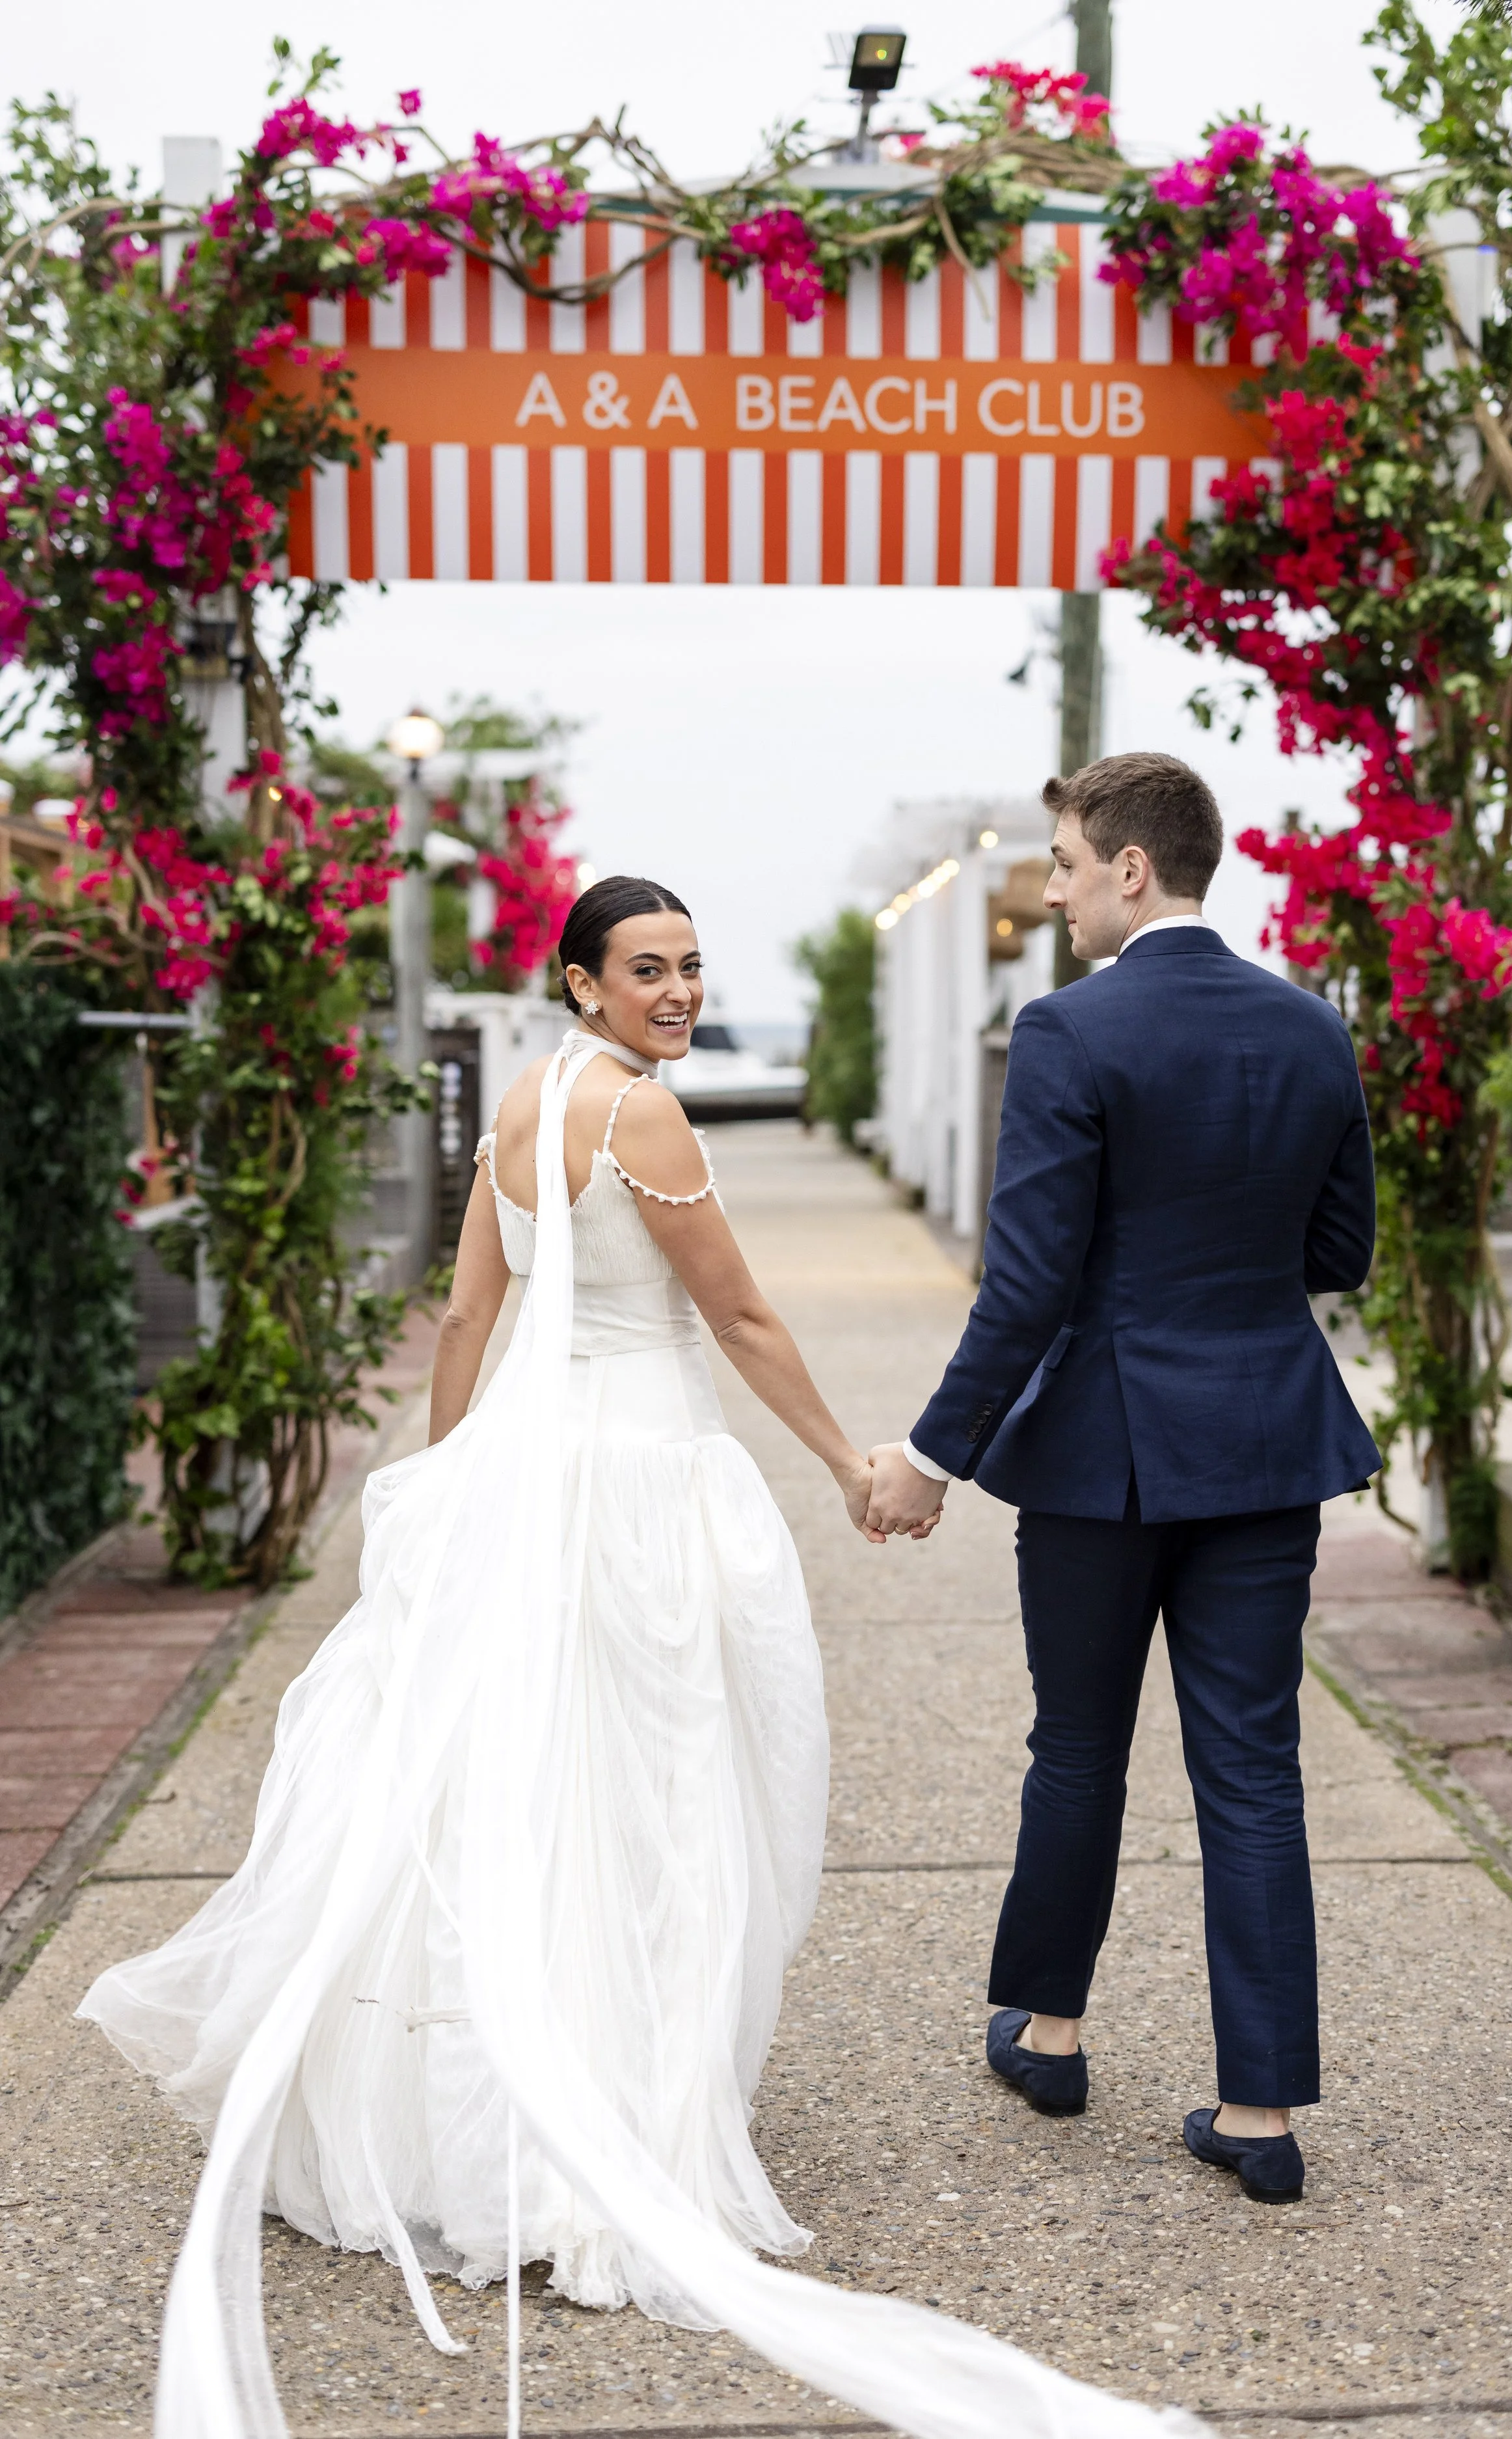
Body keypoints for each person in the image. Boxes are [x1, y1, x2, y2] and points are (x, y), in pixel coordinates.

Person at [79, 875, 1180, 2439]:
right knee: (655, 1799)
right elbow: (733, 1317)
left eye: (689, 966)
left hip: (535, 1480)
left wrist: (452, 1486)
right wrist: (852, 1462)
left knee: (531, 1795)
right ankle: (617, 2122)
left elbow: (472, 1317)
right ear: (582, 981)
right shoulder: (644, 1123)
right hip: (641, 1485)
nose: (675, 990)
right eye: (646, 969)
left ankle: (494, 2114)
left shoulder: (524, 1102)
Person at [867, 754, 1380, 2207]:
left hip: (1100, 1452)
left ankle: (1049, 2030)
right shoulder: (1309, 1029)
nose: (1054, 888)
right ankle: (1261, 2111)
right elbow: (1337, 1253)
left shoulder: (1069, 1032)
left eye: (1068, 863)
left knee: (1078, 1746)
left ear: (1131, 870)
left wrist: (927, 1454)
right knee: (1252, 1771)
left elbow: (1023, 1288)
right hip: (1266, 1442)